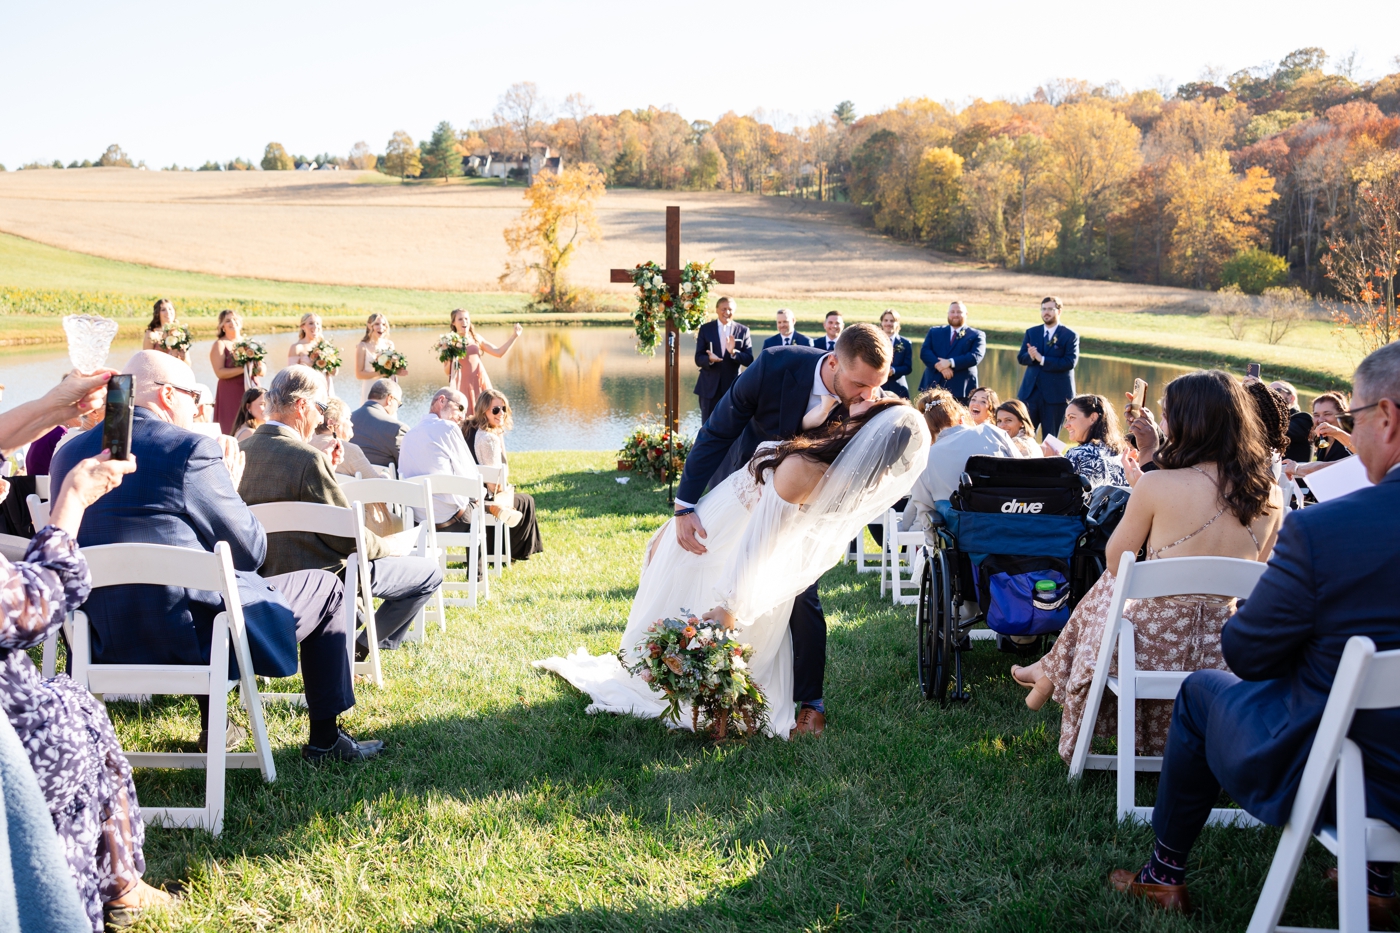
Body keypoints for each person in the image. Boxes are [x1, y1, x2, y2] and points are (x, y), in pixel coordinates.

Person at [1110, 343, 1400, 919]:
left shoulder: (1325, 529)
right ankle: (1377, 883)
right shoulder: (1276, 504)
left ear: (1387, 420)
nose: (1352, 432)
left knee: (1200, 692)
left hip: (1336, 770)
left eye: (1355, 420)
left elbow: (1245, 651)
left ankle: (1163, 875)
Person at [50, 351, 380, 766]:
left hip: (99, 639)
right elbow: (251, 552)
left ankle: (216, 726)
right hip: (197, 643)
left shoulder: (67, 455)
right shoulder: (191, 451)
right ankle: (326, 741)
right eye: (193, 394)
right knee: (327, 587)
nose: (197, 406)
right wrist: (230, 485)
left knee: (188, 587)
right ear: (168, 395)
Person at [537, 400, 929, 739]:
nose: (867, 396)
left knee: (690, 604)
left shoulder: (808, 470)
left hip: (724, 541)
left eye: (873, 401)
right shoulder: (829, 448)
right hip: (716, 519)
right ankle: (671, 673)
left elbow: (759, 542)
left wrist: (728, 605)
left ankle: (687, 684)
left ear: (866, 427)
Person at [1013, 372, 1282, 756]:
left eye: (1166, 414)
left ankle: (1049, 671)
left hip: (1150, 649)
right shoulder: (1270, 493)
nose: (1163, 423)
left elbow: (1116, 561)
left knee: (1113, 586)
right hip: (1227, 648)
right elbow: (1260, 576)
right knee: (1116, 591)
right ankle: (1046, 671)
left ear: (1191, 421)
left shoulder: (1159, 485)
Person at [0, 371, 174, 930]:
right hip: (13, 742)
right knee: (74, 714)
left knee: (71, 696)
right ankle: (105, 888)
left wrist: (52, 406)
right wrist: (70, 503)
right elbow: (32, 606)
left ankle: (122, 882)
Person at [669, 322, 894, 736]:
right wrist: (685, 505)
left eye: (877, 386)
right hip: (748, 485)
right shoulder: (775, 365)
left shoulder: (870, 405)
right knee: (715, 570)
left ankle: (812, 702)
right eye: (861, 384)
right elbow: (719, 429)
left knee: (800, 592)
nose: (869, 395)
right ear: (833, 363)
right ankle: (705, 677)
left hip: (807, 507)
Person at [240, 366, 442, 654]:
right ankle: (362, 647)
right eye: (320, 408)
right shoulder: (307, 458)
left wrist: (328, 471)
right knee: (429, 572)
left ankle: (359, 644)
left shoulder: (241, 451)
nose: (322, 418)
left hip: (264, 575)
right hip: (327, 575)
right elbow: (347, 537)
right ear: (301, 406)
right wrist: (389, 546)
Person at [900, 388, 1017, 531]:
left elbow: (927, 517)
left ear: (927, 431)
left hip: (962, 543)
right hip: (1009, 531)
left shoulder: (924, 460)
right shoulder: (992, 432)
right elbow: (1026, 474)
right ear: (961, 417)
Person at [464, 388, 542, 561]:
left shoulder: (469, 429)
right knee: (526, 500)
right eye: (496, 410)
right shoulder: (488, 439)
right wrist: (506, 489)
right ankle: (513, 552)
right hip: (487, 498)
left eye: (504, 409)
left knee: (520, 498)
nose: (501, 413)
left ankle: (497, 550)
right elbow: (495, 485)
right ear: (484, 410)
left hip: (469, 496)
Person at [399, 387, 481, 537]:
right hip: (452, 519)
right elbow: (471, 479)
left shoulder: (409, 435)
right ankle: (479, 560)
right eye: (461, 408)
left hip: (417, 521)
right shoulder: (448, 428)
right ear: (442, 400)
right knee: (478, 509)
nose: (463, 417)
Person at [1017, 296, 1080, 439]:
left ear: (1059, 311)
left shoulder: (1070, 335)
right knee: (1024, 435)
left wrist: (1043, 359)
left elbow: (1070, 362)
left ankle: (1050, 461)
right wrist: (1031, 357)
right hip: (1030, 394)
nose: (1046, 312)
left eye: (1050, 309)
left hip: (1056, 395)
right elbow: (1021, 358)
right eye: (1044, 309)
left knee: (1051, 438)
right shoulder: (1032, 332)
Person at [443, 308, 522, 417]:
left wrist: (514, 336)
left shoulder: (476, 338)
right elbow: (447, 371)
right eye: (460, 319)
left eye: (466, 318)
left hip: (479, 382)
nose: (464, 321)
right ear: (453, 322)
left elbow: (498, 353)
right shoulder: (449, 342)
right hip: (462, 385)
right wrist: (450, 354)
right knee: (465, 418)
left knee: (485, 415)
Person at [694, 297, 754, 423]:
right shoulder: (706, 329)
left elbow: (749, 360)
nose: (727, 312)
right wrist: (709, 359)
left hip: (732, 387)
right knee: (707, 425)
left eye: (730, 309)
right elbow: (698, 358)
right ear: (717, 310)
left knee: (731, 425)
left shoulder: (743, 330)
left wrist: (734, 353)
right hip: (709, 387)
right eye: (724, 309)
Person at [1053, 394, 1126, 489]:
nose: (1066, 425)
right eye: (1066, 419)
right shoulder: (1123, 453)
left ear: (1093, 418)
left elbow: (1059, 492)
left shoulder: (1077, 454)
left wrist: (1053, 464)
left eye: (1072, 417)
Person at [918, 301, 986, 402]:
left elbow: (975, 357)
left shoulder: (976, 335)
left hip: (961, 388)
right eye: (952, 312)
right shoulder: (934, 331)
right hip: (933, 385)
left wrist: (950, 362)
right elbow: (925, 352)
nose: (955, 315)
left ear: (966, 314)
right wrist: (940, 366)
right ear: (948, 313)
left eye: (959, 312)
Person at [1288, 390, 1355, 481]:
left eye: (1327, 414)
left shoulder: (1352, 438)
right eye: (1316, 415)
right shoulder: (1323, 439)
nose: (1320, 420)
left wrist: (1297, 468)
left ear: (1341, 415)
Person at [310, 397, 381, 480]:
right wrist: (385, 474)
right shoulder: (350, 450)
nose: (351, 424)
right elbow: (376, 483)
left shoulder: (306, 445)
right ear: (331, 422)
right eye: (347, 418)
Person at [351, 379, 408, 470]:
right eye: (399, 404)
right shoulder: (397, 429)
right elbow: (407, 466)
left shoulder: (348, 419)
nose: (397, 409)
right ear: (390, 399)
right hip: (384, 482)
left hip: (349, 481)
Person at [209, 309, 247, 434]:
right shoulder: (220, 344)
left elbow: (262, 370)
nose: (232, 322)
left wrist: (257, 367)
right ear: (222, 326)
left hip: (249, 387)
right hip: (230, 392)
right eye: (227, 320)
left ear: (240, 322)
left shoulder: (248, 343)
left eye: (235, 319)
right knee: (231, 426)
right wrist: (244, 369)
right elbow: (219, 372)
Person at [354, 313, 395, 403]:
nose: (381, 327)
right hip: (370, 390)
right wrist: (380, 373)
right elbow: (359, 374)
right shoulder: (362, 346)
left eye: (384, 324)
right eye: (377, 324)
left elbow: (393, 370)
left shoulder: (389, 345)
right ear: (369, 326)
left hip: (387, 390)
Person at [1270, 380, 1314, 463]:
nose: (1269, 394)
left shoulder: (1303, 419)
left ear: (1291, 398)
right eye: (1268, 390)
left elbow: (1280, 431)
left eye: (1275, 391)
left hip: (1293, 474)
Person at [880, 309, 913, 398]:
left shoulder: (905, 343)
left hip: (898, 387)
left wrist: (894, 370)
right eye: (886, 320)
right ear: (881, 323)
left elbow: (908, 368)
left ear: (897, 323)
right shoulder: (874, 342)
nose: (888, 323)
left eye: (892, 321)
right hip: (879, 385)